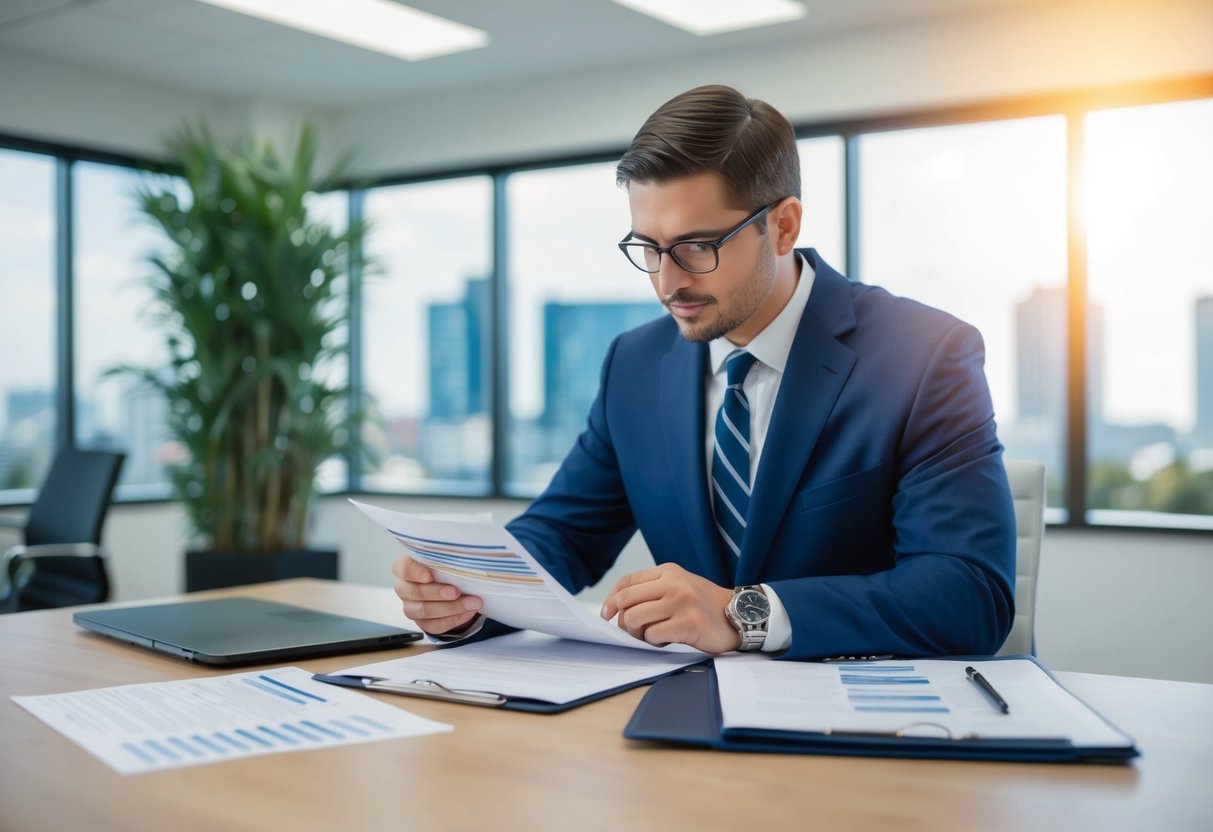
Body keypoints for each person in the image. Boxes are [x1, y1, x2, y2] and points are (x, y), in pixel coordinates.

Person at [392, 84, 1016, 660]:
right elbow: (564, 534)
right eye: (648, 248)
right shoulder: (635, 365)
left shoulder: (925, 354)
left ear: (783, 226)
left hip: (866, 726)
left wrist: (742, 613)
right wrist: (467, 594)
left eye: (697, 247)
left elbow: (969, 593)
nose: (667, 283)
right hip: (684, 721)